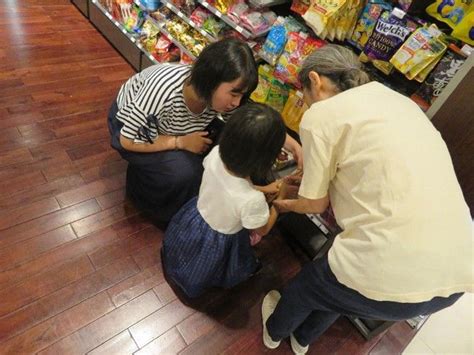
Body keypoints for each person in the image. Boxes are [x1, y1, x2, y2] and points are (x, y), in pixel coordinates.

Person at [261, 44, 473, 354]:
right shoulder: (400, 103)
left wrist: (282, 204)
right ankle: (302, 339)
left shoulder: (321, 114)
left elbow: (314, 204)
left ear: (316, 81)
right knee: (343, 284)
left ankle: (273, 331)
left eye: (303, 94)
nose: (305, 103)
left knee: (313, 284)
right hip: (457, 277)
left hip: (391, 267)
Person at [107, 38, 302, 224]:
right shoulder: (162, 90)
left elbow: (249, 122)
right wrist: (179, 142)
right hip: (130, 128)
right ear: (211, 79)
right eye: (234, 93)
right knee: (185, 172)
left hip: (173, 127)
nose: (236, 102)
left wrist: (293, 145)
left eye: (242, 95)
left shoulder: (216, 97)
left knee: (228, 146)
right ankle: (159, 205)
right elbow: (127, 140)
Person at [162, 103, 288, 298]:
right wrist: (279, 203)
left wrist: (263, 189)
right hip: (220, 239)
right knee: (215, 266)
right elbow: (261, 229)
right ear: (265, 159)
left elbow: (229, 188)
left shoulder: (216, 154)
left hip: (196, 217)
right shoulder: (251, 200)